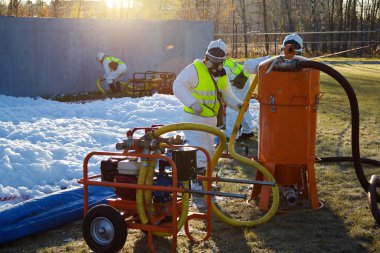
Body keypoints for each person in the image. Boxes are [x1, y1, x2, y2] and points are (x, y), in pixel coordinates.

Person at [173, 39, 242, 172]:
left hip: (211, 120)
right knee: (200, 154)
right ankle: (197, 186)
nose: (214, 64)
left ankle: (205, 182)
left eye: (218, 60)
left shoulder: (222, 75)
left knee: (210, 152)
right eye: (212, 59)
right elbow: (178, 85)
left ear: (223, 61)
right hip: (194, 119)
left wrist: (237, 104)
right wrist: (193, 103)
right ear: (206, 56)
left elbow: (227, 95)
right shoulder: (195, 69)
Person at [224, 57, 268, 141]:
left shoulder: (218, 67)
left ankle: (231, 136)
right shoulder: (222, 61)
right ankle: (247, 130)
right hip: (243, 79)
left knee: (232, 108)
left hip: (238, 82)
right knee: (242, 106)